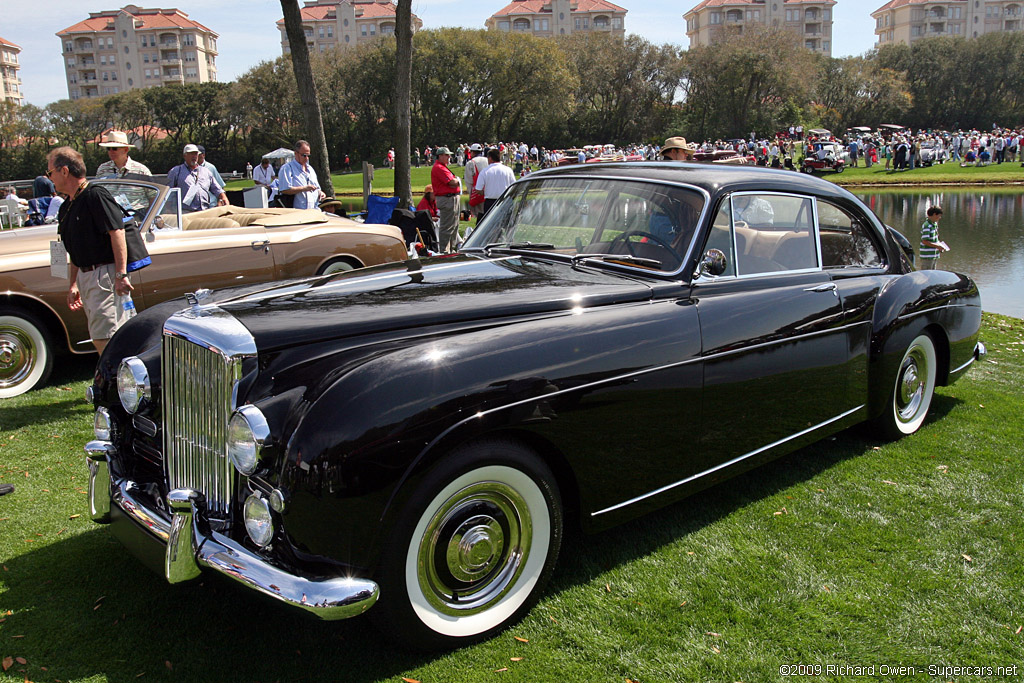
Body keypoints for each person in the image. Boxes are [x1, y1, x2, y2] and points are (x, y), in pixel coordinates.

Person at [48, 146, 133, 354]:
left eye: (50, 172)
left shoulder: (95, 195)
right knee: (101, 335)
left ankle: (114, 381)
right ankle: (113, 380)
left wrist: (121, 274)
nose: (49, 178)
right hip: (86, 277)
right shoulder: (67, 206)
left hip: (104, 275)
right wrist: (73, 284)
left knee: (107, 336)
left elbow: (117, 232)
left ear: (64, 171)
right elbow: (74, 248)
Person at [167, 143, 228, 213]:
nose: (194, 156)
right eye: (191, 154)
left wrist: (223, 197)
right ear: (185, 156)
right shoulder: (176, 171)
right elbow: (168, 193)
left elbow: (217, 189)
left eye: (196, 154)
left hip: (205, 211)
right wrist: (169, 211)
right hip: (185, 213)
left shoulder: (206, 171)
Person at [278, 140, 327, 210]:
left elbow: (317, 187)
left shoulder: (311, 169)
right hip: (297, 212)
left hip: (314, 210)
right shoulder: (287, 168)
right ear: (296, 153)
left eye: (308, 155)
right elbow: (284, 189)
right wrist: (304, 188)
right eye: (304, 155)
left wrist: (320, 193)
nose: (306, 158)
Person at [430, 146, 461, 252]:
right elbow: (452, 182)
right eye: (447, 155)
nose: (449, 157)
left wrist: (456, 180)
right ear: (440, 156)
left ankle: (451, 250)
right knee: (447, 227)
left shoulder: (443, 167)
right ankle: (444, 251)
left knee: (454, 226)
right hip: (446, 199)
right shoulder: (439, 167)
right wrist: (457, 180)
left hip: (451, 198)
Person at [474, 147, 515, 218]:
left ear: (490, 158)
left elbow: (478, 189)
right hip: (506, 200)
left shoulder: (485, 171)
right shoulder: (508, 170)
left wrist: (486, 191)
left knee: (490, 225)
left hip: (490, 202)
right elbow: (514, 186)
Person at [464, 144, 489, 225]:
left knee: (480, 215)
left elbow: (469, 181)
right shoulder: (488, 160)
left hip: (478, 192)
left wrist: (471, 193)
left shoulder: (471, 163)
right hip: (489, 191)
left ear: (472, 152)